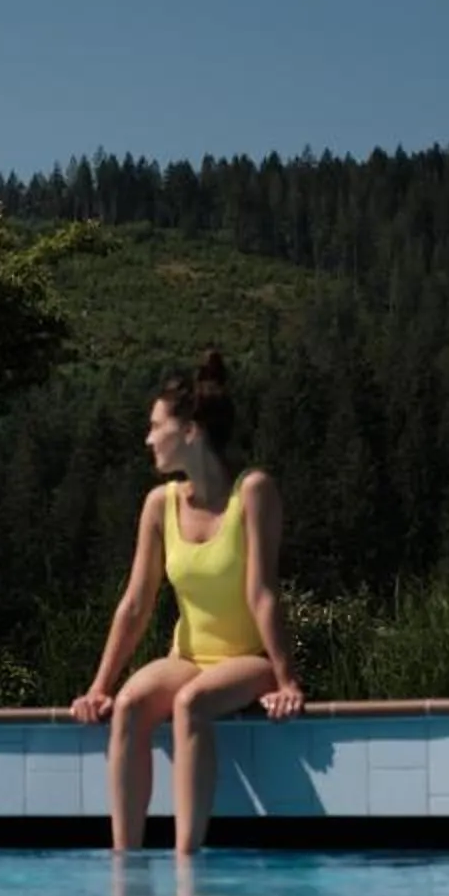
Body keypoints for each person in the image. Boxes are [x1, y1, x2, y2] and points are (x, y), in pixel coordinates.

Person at [68, 350, 305, 853]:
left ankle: (186, 860)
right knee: (131, 704)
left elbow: (263, 592)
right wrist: (98, 687)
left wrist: (286, 680)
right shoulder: (160, 504)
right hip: (188, 658)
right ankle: (124, 862)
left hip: (247, 662)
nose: (148, 438)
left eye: (156, 426)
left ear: (191, 430)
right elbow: (136, 604)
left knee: (190, 703)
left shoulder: (253, 492)